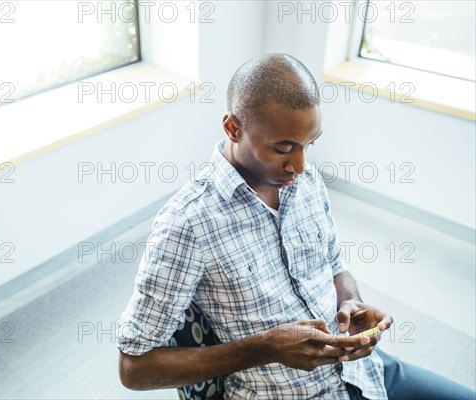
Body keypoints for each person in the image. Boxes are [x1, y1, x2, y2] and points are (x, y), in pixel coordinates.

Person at [116, 53, 476, 399]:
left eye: (309, 145)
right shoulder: (187, 224)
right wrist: (265, 349)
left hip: (363, 373)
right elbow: (134, 367)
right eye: (283, 148)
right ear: (233, 128)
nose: (299, 166)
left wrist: (351, 301)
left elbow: (334, 264)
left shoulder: (306, 182)